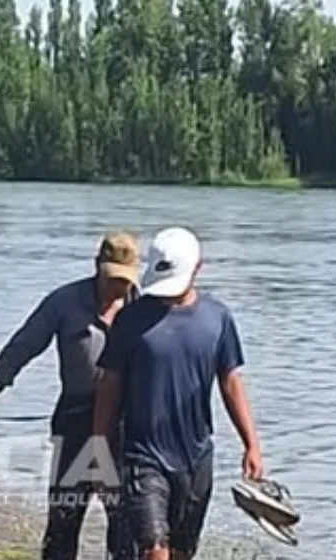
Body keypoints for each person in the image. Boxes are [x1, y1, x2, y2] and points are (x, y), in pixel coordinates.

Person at [93, 227, 264, 560]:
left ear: (198, 268)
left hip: (196, 457)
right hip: (142, 456)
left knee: (181, 553)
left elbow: (231, 383)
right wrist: (100, 448)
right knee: (154, 551)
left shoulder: (218, 318)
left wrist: (252, 444)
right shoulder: (131, 320)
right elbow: (109, 388)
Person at [0, 232, 140, 560]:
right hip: (75, 419)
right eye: (112, 279)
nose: (118, 288)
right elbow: (25, 344)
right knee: (64, 519)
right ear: (97, 267)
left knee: (126, 523)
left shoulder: (143, 308)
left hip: (126, 425)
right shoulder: (64, 302)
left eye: (125, 281)